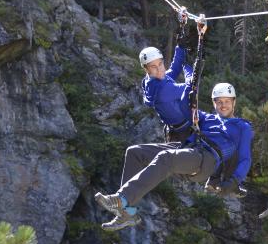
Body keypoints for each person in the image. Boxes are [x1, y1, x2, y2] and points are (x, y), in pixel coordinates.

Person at [94, 82, 254, 231]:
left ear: (234, 102)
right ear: (214, 103)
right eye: (219, 101)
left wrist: (234, 181)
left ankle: (121, 199)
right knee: (135, 152)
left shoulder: (242, 127)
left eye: (227, 101)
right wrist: (189, 88)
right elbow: (184, 107)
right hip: (188, 150)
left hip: (206, 159)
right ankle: (126, 213)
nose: (223, 105)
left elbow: (245, 158)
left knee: (166, 157)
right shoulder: (206, 118)